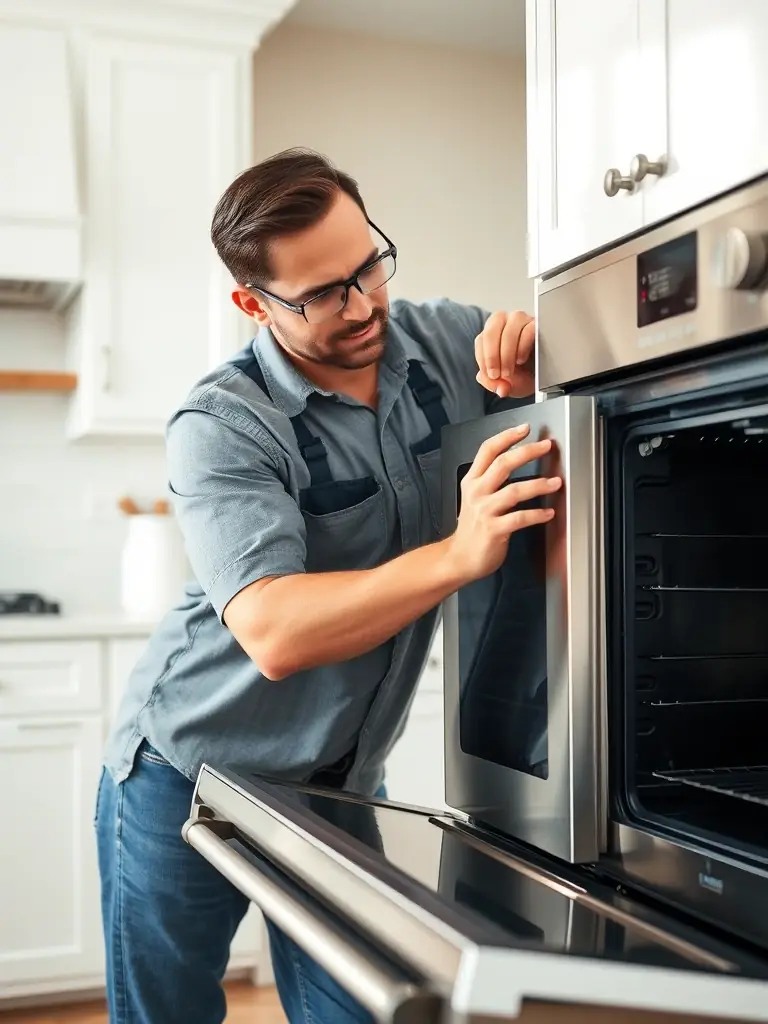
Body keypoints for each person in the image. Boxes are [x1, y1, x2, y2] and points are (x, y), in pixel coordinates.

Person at [95, 147, 561, 1024]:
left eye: (369, 266)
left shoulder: (439, 342)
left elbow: (575, 389)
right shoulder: (221, 423)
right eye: (323, 294)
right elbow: (274, 632)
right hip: (189, 774)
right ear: (253, 303)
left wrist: (539, 370)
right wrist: (459, 554)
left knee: (362, 1012)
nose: (364, 305)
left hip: (340, 781)